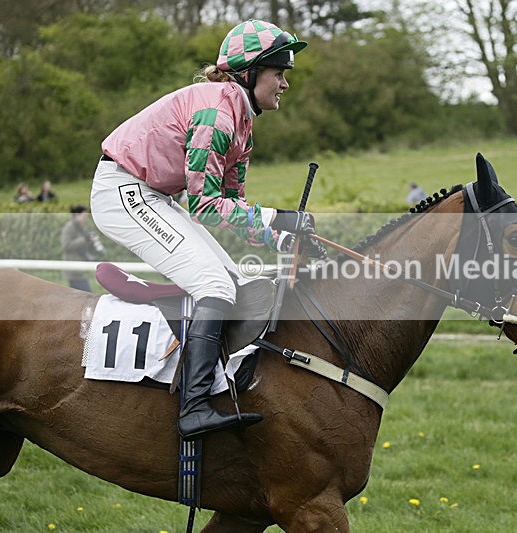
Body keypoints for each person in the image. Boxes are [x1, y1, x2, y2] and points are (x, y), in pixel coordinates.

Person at [89, 19, 325, 440]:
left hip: (153, 194)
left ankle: (219, 387)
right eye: (279, 73)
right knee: (214, 284)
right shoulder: (217, 113)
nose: (285, 83)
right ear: (250, 73)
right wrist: (277, 218)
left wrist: (282, 236)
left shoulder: (241, 122)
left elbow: (231, 206)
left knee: (236, 281)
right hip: (123, 191)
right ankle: (193, 407)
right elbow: (204, 205)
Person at [61, 205, 105, 292]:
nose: (85, 219)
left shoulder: (81, 227)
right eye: (84, 216)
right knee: (86, 294)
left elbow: (85, 244)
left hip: (79, 268)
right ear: (77, 215)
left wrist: (91, 240)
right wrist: (85, 239)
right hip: (73, 268)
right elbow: (66, 245)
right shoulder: (69, 227)